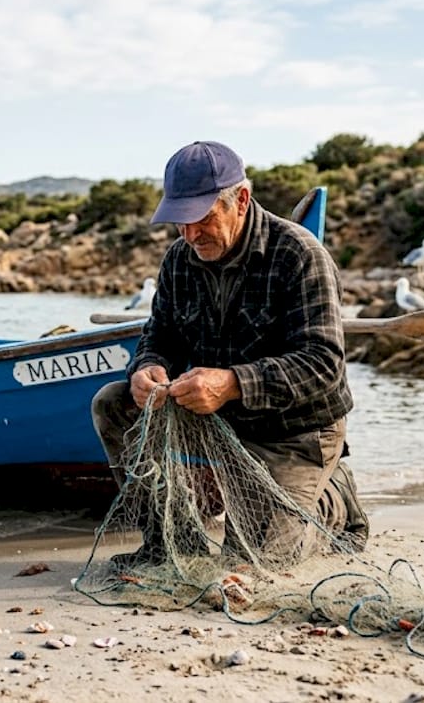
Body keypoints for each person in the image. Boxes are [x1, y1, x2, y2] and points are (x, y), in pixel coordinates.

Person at [90, 140, 368, 568]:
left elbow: (323, 364)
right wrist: (147, 368)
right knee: (112, 402)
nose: (189, 234)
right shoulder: (179, 260)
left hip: (293, 432)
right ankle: (171, 544)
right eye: (179, 221)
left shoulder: (300, 254)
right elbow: (157, 335)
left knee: (252, 565)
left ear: (240, 199)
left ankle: (333, 500)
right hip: (218, 421)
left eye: (200, 218)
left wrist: (233, 383)